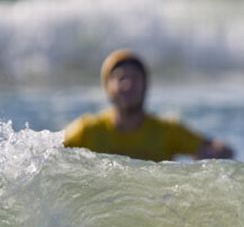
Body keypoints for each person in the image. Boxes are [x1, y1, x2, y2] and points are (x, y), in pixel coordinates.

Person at [64, 49, 234, 162]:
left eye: (135, 78)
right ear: (107, 87)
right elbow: (47, 154)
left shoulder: (168, 130)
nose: (129, 84)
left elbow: (222, 150)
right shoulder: (87, 130)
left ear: (146, 85)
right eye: (121, 78)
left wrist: (212, 154)